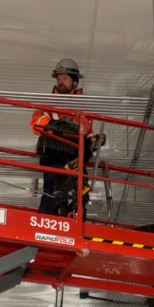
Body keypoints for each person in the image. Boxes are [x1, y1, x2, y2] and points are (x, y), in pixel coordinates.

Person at [30, 58, 103, 216]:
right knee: (54, 193)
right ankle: (45, 228)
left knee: (79, 196)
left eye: (64, 78)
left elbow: (88, 133)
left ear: (75, 82)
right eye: (58, 78)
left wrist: (95, 140)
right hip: (53, 154)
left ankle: (74, 226)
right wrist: (57, 125)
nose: (60, 82)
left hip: (75, 158)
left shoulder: (84, 108)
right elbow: (35, 124)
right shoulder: (48, 103)